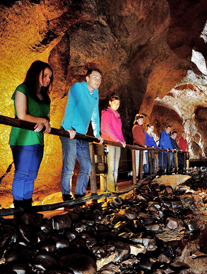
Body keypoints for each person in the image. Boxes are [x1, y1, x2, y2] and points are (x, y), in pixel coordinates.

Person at [9, 60, 53, 211]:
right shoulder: (23, 89)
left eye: (50, 77)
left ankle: (27, 205)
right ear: (36, 73)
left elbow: (47, 119)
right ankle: (18, 208)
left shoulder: (46, 97)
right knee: (22, 173)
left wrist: (46, 123)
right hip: (23, 139)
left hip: (38, 140)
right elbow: (22, 115)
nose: (48, 79)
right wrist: (43, 121)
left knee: (32, 174)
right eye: (45, 75)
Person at [60, 68, 104, 201]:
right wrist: (68, 128)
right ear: (87, 78)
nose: (98, 81)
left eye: (100, 79)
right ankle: (66, 195)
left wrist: (97, 133)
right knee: (69, 164)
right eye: (95, 77)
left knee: (87, 166)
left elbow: (95, 114)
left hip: (81, 135)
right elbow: (70, 106)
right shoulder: (77, 87)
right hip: (70, 131)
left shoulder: (95, 93)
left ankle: (79, 194)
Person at [101, 95, 126, 192]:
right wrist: (118, 140)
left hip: (117, 143)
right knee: (111, 166)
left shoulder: (117, 115)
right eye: (115, 103)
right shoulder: (107, 114)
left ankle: (114, 186)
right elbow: (107, 129)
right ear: (110, 103)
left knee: (115, 167)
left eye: (118, 103)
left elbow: (119, 131)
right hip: (111, 142)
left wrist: (122, 140)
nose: (116, 105)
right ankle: (111, 189)